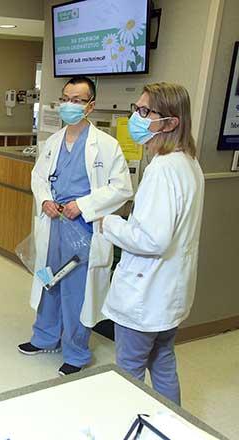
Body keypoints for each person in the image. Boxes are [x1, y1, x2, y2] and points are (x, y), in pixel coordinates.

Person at [19, 76, 133, 376]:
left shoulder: (106, 146)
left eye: (78, 100)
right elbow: (38, 176)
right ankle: (44, 337)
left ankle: (76, 352)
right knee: (49, 281)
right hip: (54, 223)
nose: (69, 104)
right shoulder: (53, 142)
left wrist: (82, 205)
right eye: (66, 98)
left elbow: (121, 188)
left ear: (90, 106)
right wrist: (44, 199)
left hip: (84, 229)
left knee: (76, 292)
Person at [100, 83, 204, 405]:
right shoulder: (188, 163)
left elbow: (153, 240)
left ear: (171, 123)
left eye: (145, 112)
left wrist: (111, 224)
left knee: (128, 371)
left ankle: (129, 425)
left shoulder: (162, 169)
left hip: (145, 297)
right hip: (168, 295)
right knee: (162, 363)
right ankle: (170, 426)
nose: (136, 117)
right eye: (136, 108)